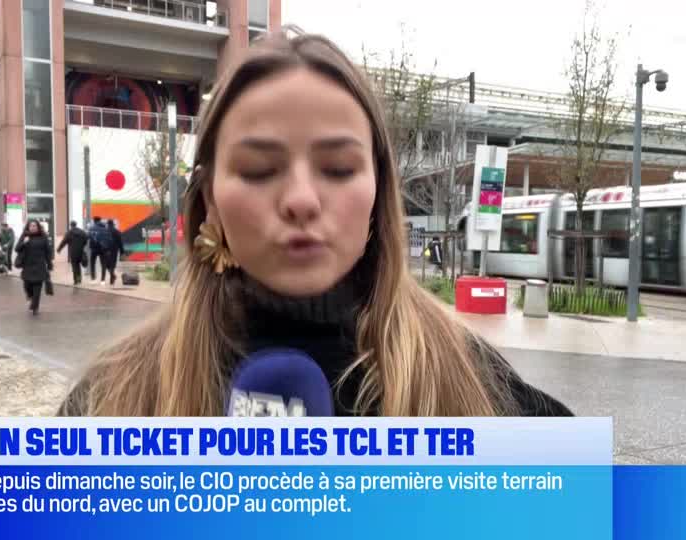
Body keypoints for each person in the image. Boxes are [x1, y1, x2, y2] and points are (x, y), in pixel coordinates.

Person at [57, 32, 572, 418]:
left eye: (339, 169)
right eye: (259, 170)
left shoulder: (473, 386)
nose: (301, 200)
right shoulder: (113, 399)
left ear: (378, 195)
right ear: (209, 201)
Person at [15, 219, 53, 315]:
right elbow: (17, 248)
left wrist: (49, 264)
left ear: (38, 227)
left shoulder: (43, 237)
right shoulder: (25, 236)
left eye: (35, 226)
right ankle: (30, 296)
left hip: (39, 266)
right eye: (31, 226)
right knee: (27, 285)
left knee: (37, 288)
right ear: (28, 227)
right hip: (27, 266)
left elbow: (48, 252)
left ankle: (34, 307)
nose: (33, 227)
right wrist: (24, 242)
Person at [57, 221, 89, 285]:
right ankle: (79, 279)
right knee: (78, 266)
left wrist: (59, 249)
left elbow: (64, 241)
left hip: (73, 252)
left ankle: (76, 280)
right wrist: (82, 245)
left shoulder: (69, 233)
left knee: (75, 266)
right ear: (76, 225)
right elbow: (86, 239)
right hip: (80, 251)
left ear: (70, 225)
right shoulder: (82, 232)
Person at [101, 219, 125, 286]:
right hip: (114, 251)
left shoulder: (104, 231)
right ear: (113, 224)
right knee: (112, 265)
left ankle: (113, 276)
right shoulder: (117, 232)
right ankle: (112, 279)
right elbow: (120, 243)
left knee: (107, 265)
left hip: (106, 250)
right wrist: (122, 252)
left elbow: (101, 241)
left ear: (107, 224)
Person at [87, 217, 108, 283]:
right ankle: (103, 280)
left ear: (94, 221)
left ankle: (93, 278)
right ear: (100, 220)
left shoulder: (91, 228)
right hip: (103, 248)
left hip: (94, 248)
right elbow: (108, 238)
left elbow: (88, 237)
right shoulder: (105, 228)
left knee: (92, 263)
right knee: (103, 264)